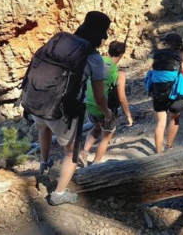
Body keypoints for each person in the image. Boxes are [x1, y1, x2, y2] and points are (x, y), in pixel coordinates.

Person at [21, 11, 113, 206]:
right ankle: (59, 194)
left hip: (37, 99)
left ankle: (44, 164)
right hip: (60, 110)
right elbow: (98, 96)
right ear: (100, 36)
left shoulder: (59, 40)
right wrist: (106, 112)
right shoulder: (94, 59)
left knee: (43, 129)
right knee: (71, 152)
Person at [79, 40, 134, 166]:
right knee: (106, 136)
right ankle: (96, 163)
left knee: (97, 127)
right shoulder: (118, 72)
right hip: (104, 108)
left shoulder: (97, 61)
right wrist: (128, 116)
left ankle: (84, 152)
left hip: (89, 105)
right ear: (121, 55)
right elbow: (121, 97)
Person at [145, 33, 183, 154]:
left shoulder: (158, 56)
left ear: (166, 43)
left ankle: (158, 153)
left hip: (158, 94)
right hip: (176, 96)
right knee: (174, 120)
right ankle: (169, 147)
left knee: (160, 123)